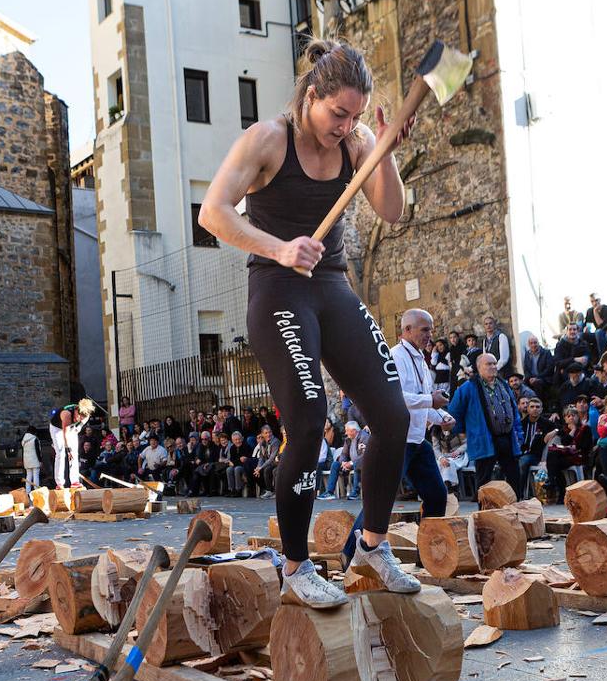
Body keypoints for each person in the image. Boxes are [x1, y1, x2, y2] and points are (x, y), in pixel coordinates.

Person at [199, 37, 424, 604]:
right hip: (277, 287)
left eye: (354, 117)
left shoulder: (359, 143)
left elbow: (392, 212)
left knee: (393, 416)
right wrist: (278, 248)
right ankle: (297, 569)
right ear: (311, 96)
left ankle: (371, 549)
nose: (345, 126)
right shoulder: (267, 139)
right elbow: (214, 212)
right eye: (337, 114)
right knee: (307, 419)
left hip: (331, 285)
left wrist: (386, 151)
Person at [343, 308, 452, 560]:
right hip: (396, 442)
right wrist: (430, 401)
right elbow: (396, 398)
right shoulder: (394, 357)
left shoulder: (423, 362)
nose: (430, 335)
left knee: (437, 496)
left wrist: (441, 416)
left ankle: (430, 555)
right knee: (380, 503)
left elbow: (423, 406)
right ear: (407, 330)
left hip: (416, 441)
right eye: (425, 329)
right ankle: (350, 554)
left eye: (431, 329)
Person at [447, 353, 524, 492]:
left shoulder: (504, 385)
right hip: (483, 440)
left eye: (494, 363)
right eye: (489, 364)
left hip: (507, 438)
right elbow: (453, 412)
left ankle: (516, 508)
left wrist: (519, 434)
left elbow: (514, 411)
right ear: (479, 367)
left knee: (514, 476)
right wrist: (468, 431)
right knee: (484, 480)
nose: (493, 366)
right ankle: (484, 512)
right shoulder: (468, 387)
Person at [544, 405, 593, 502]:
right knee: (553, 457)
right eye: (568, 416)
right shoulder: (564, 429)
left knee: (554, 462)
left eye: (573, 415)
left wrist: (575, 430)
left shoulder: (585, 428)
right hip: (567, 456)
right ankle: (555, 484)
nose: (571, 418)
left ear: (578, 417)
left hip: (580, 456)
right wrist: (571, 432)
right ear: (565, 419)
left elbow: (586, 445)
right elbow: (565, 442)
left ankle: (554, 484)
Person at [49, 399, 93, 489]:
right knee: (60, 453)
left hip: (71, 428)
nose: (80, 418)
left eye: (83, 417)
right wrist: (67, 448)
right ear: (77, 410)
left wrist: (78, 427)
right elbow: (65, 433)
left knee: (74, 454)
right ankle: (59, 482)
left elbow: (81, 423)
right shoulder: (67, 414)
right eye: (80, 416)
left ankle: (75, 481)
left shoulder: (86, 414)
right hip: (57, 428)